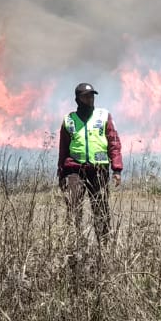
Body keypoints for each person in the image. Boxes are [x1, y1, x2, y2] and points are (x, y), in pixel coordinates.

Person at [57, 82, 122, 242]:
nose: (90, 99)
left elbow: (114, 142)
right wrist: (61, 173)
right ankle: (74, 243)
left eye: (92, 95)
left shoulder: (103, 116)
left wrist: (117, 169)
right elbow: (63, 148)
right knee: (74, 207)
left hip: (99, 169)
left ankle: (104, 246)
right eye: (86, 96)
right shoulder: (69, 120)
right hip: (74, 169)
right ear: (78, 99)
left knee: (101, 207)